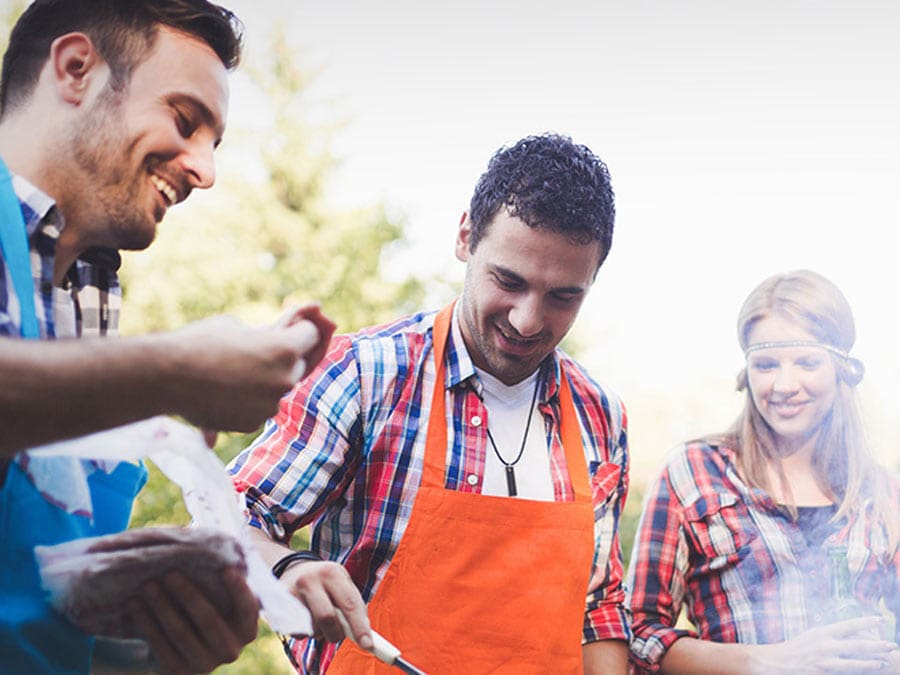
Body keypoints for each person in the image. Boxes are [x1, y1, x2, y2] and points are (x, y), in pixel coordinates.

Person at [0, 1, 334, 673]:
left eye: (215, 142)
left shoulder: (86, 295)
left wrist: (147, 649)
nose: (205, 170)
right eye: (185, 121)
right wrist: (177, 370)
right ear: (74, 70)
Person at [229, 133, 632, 674]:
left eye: (564, 295)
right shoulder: (368, 375)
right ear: (466, 236)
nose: (527, 320)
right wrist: (285, 567)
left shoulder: (598, 417)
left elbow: (597, 608)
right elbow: (225, 516)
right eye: (508, 281)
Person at [627, 270, 900, 674]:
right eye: (766, 364)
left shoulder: (883, 493)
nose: (784, 384)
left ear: (843, 369)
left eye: (807, 362)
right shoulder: (694, 473)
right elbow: (638, 632)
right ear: (746, 372)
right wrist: (767, 661)